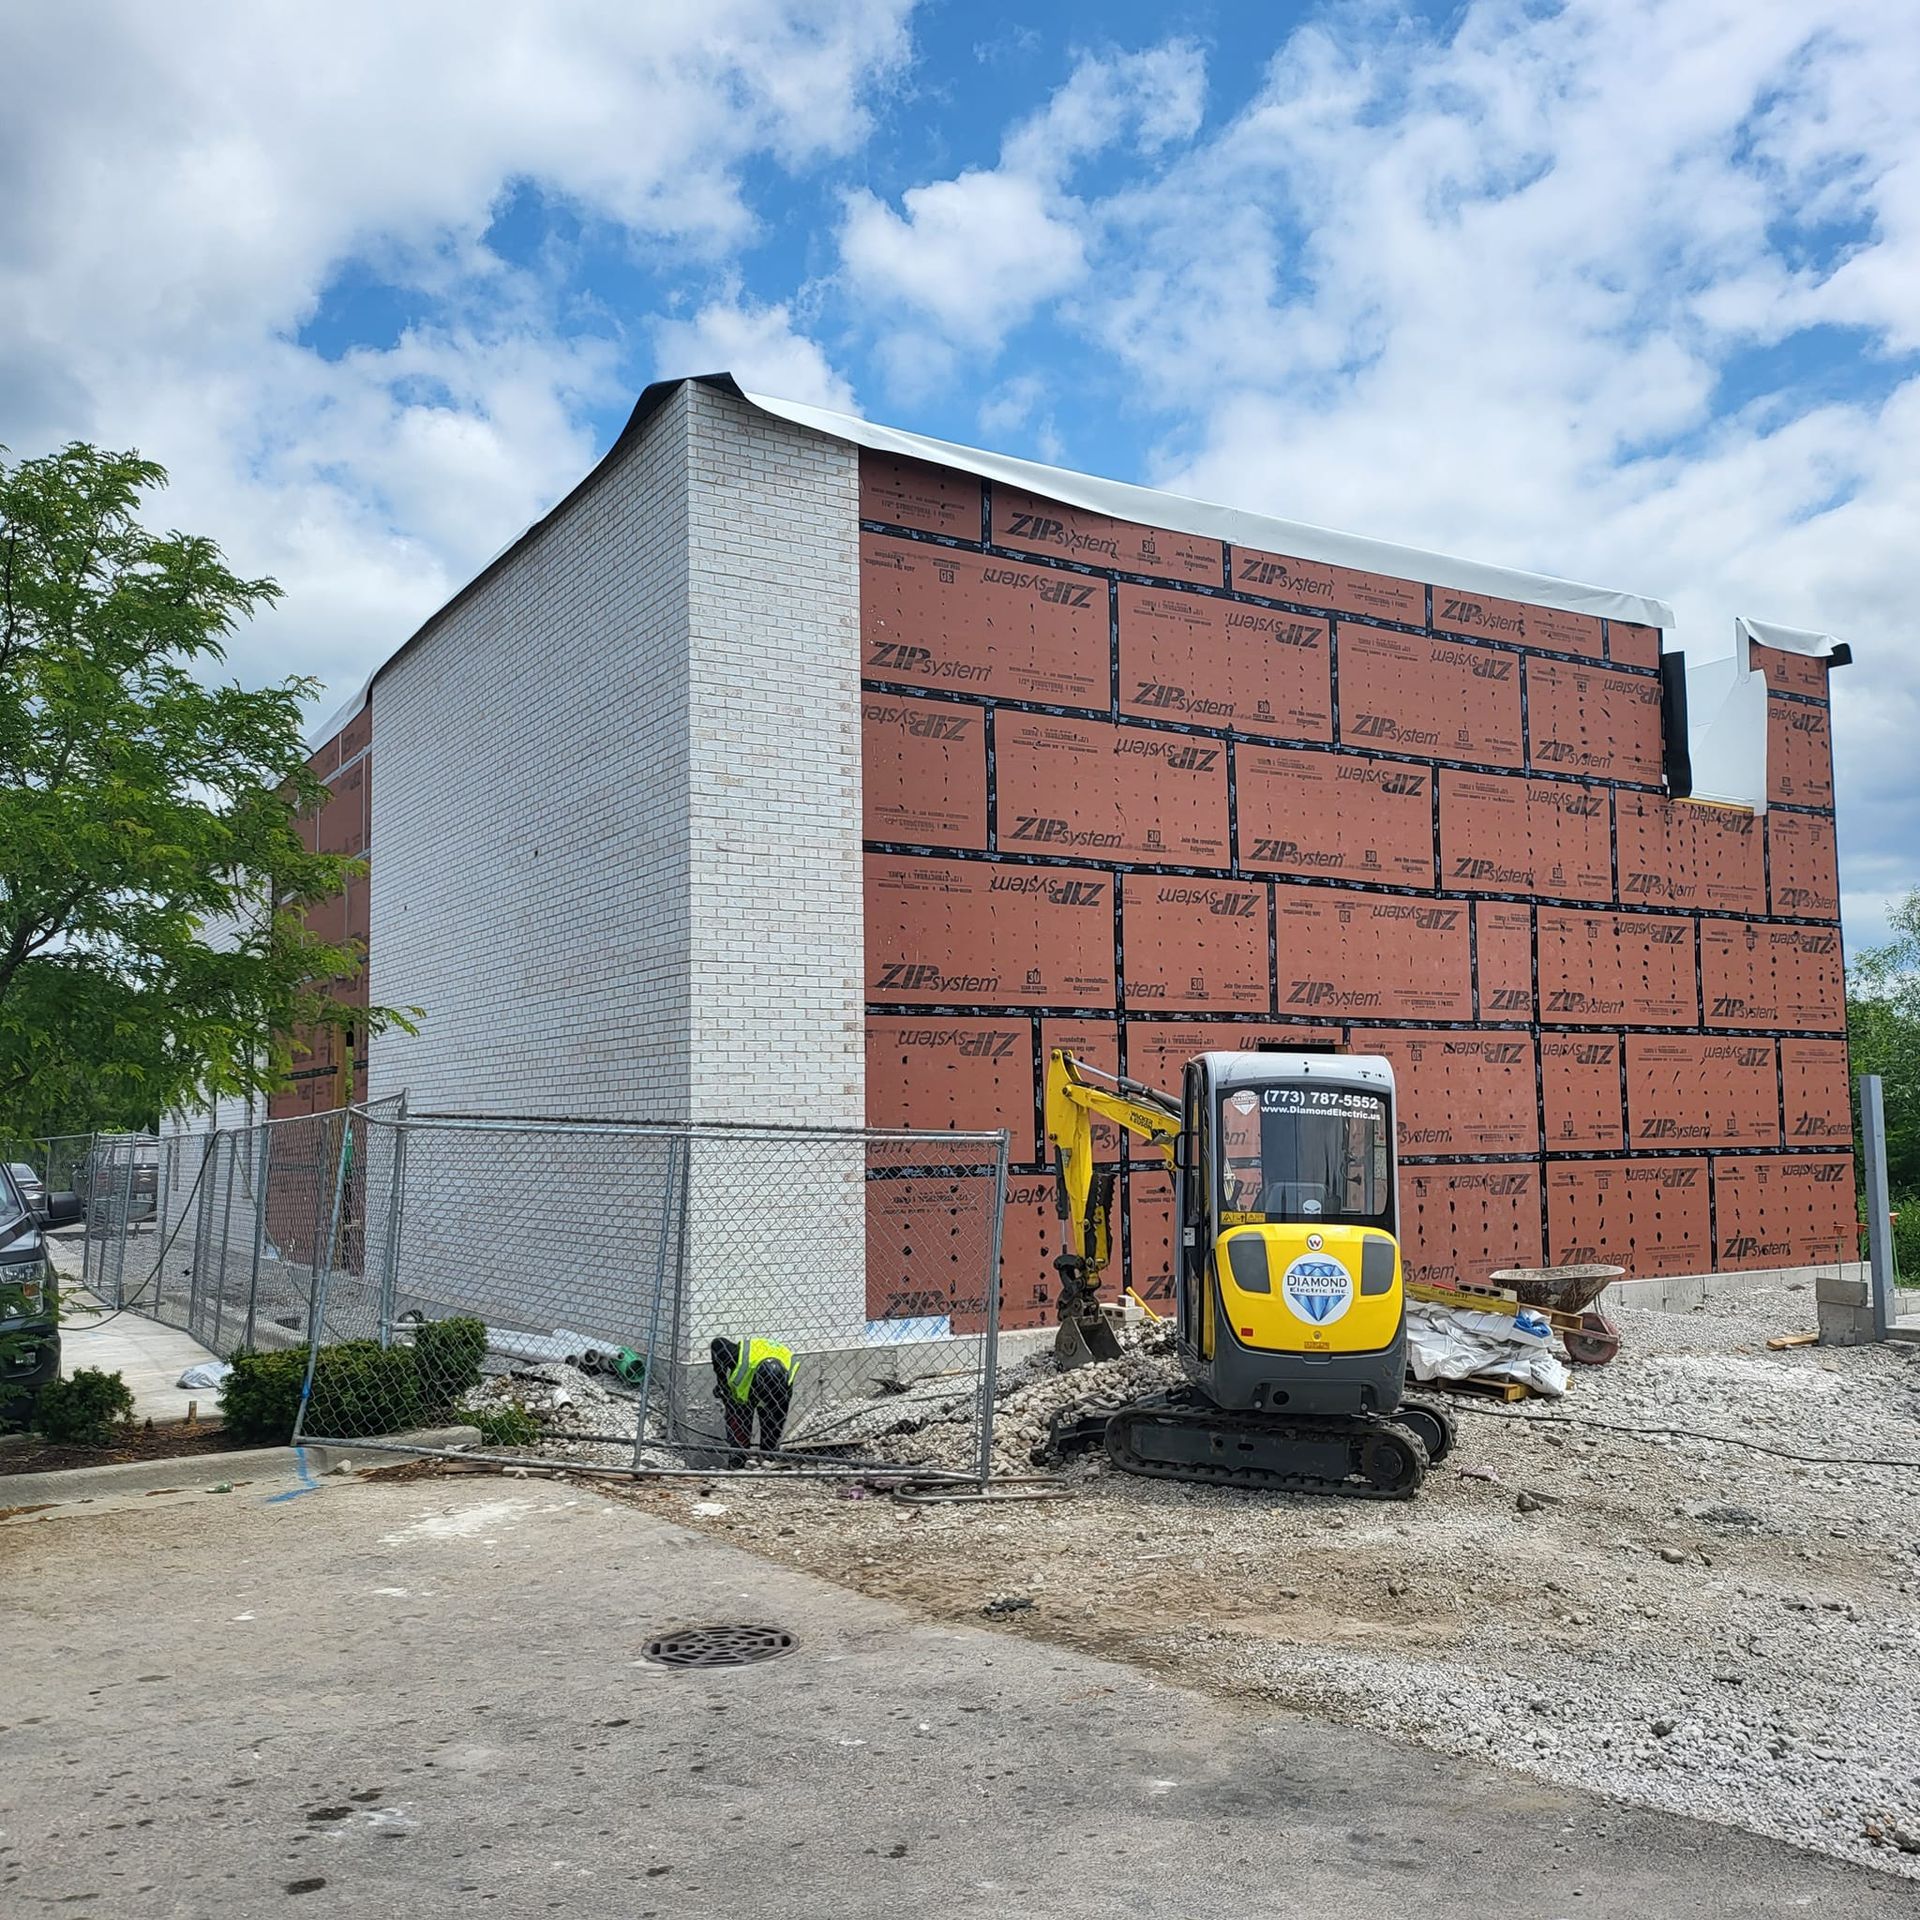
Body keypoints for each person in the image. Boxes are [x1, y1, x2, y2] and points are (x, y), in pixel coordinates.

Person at [709, 1336, 795, 1455]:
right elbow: (718, 1344)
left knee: (772, 1427)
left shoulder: (788, 1371)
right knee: (739, 1431)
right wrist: (722, 1383)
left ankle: (767, 1457)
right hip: (744, 1394)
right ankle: (738, 1459)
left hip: (777, 1394)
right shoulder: (739, 1357)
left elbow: (779, 1416)